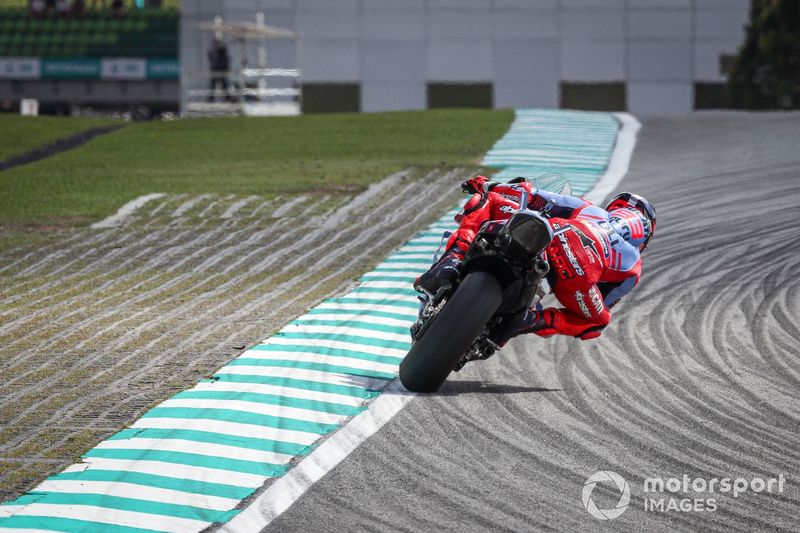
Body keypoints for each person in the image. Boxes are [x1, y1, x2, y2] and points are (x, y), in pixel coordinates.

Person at [414, 175, 656, 343]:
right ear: (644, 239)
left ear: (615, 208)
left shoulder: (592, 211)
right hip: (578, 280)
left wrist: (485, 185)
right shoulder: (634, 266)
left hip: (558, 237)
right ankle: (528, 320)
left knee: (490, 199)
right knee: (597, 323)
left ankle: (454, 258)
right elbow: (602, 308)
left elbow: (532, 195)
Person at [207, 37, 231, 102]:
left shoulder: (222, 51)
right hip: (215, 70)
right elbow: (211, 60)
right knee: (213, 84)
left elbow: (226, 60)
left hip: (221, 70)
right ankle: (211, 98)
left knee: (224, 84)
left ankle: (227, 97)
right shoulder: (212, 51)